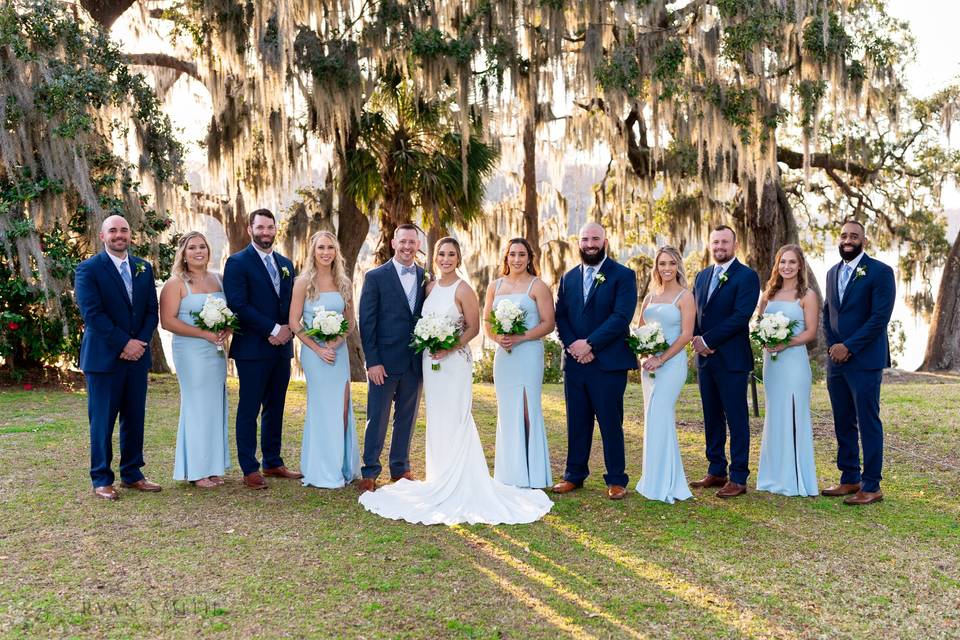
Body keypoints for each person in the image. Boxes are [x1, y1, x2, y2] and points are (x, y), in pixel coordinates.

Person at [358, 238, 553, 525]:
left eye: (451, 254)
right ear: (434, 257)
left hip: (454, 363)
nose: (446, 259)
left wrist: (449, 346)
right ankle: (438, 476)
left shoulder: (464, 289)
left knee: (456, 417)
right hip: (430, 361)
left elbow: (475, 327)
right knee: (437, 418)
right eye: (441, 254)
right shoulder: (429, 286)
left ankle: (461, 479)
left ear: (459, 259)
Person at [74, 215, 161, 500]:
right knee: (102, 421)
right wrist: (124, 343)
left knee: (135, 418)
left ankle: (133, 474)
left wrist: (139, 343)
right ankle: (101, 478)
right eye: (113, 231)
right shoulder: (88, 269)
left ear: (130, 235)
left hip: (137, 359)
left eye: (124, 229)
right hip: (104, 359)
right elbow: (92, 314)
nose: (119, 235)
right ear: (102, 236)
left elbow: (151, 311)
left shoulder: (143, 268)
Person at [552, 222, 638, 500]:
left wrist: (590, 344)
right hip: (575, 363)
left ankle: (616, 479)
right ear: (579, 242)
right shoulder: (568, 278)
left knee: (610, 421)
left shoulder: (623, 275)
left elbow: (621, 316)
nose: (590, 244)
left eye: (595, 239)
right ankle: (574, 475)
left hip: (608, 362)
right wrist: (574, 346)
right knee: (577, 421)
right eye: (585, 239)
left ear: (605, 241)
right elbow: (561, 316)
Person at [223, 208, 303, 489]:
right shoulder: (237, 262)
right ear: (250, 229)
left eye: (270, 227)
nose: (265, 232)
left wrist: (288, 330)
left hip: (282, 348)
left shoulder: (286, 263)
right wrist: (272, 329)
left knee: (275, 405)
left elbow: (292, 303)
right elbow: (238, 304)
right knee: (249, 407)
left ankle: (272, 461)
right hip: (253, 348)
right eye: (261, 227)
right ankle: (249, 467)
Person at [822, 220, 895, 505]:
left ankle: (872, 485)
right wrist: (833, 347)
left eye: (854, 235)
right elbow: (828, 314)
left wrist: (849, 346)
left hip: (865, 360)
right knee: (843, 421)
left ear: (864, 240)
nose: (848, 239)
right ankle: (849, 477)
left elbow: (879, 318)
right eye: (843, 235)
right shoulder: (831, 273)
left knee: (868, 421)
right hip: (836, 362)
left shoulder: (880, 272)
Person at [690, 225, 760, 498]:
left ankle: (739, 476)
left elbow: (741, 316)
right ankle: (716, 469)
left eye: (724, 242)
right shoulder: (702, 275)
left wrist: (709, 341)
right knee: (712, 416)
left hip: (732, 359)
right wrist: (697, 340)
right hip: (705, 361)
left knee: (736, 418)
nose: (719, 247)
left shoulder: (746, 276)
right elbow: (696, 314)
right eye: (715, 242)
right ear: (710, 244)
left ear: (735, 245)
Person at [159, 232, 231, 488]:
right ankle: (197, 470)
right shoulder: (175, 283)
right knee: (196, 406)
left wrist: (226, 330)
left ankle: (212, 467)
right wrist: (204, 333)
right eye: (192, 248)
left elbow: (230, 313)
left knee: (214, 405)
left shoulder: (219, 279)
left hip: (216, 352)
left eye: (202, 246)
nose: (198, 251)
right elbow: (168, 321)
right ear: (183, 253)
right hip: (190, 351)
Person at [357, 224, 426, 493]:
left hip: (414, 361)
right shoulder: (375, 276)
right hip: (383, 362)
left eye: (412, 242)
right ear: (393, 243)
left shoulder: (425, 277)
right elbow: (368, 320)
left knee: (406, 417)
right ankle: (370, 471)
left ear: (418, 245)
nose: (407, 247)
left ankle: (400, 467)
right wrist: (372, 361)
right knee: (378, 416)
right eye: (403, 242)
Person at [289, 231, 361, 488]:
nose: (326, 252)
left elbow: (350, 321)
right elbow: (294, 323)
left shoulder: (344, 282)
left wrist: (335, 343)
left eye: (330, 247)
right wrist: (318, 349)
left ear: (336, 251)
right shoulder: (302, 282)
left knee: (341, 409)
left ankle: (341, 465)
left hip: (337, 352)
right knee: (321, 409)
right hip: (314, 354)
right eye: (321, 247)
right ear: (313, 250)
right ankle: (322, 470)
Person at [483, 238, 555, 489]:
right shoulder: (495, 286)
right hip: (505, 357)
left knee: (526, 408)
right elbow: (487, 322)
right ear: (506, 257)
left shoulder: (538, 286)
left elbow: (548, 323)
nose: (516, 259)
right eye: (512, 254)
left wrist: (520, 337)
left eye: (521, 254)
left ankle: (531, 472)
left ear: (529, 258)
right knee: (507, 410)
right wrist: (498, 338)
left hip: (528, 354)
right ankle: (510, 473)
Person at [755, 244, 819, 497]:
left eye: (792, 262)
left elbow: (811, 332)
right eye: (783, 262)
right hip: (772, 364)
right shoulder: (767, 294)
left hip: (794, 362)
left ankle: (795, 478)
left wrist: (785, 342)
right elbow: (760, 325)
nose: (787, 267)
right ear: (777, 265)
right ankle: (773, 477)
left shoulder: (807, 295)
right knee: (776, 414)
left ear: (800, 265)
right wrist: (766, 340)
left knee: (794, 413)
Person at [635, 246, 695, 504]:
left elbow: (686, 335)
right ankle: (653, 478)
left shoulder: (685, 296)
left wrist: (661, 358)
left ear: (678, 266)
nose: (666, 268)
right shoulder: (649, 298)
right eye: (662, 264)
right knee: (652, 418)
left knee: (660, 413)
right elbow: (639, 330)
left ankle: (668, 482)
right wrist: (645, 356)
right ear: (656, 267)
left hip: (671, 365)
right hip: (649, 367)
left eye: (671, 263)